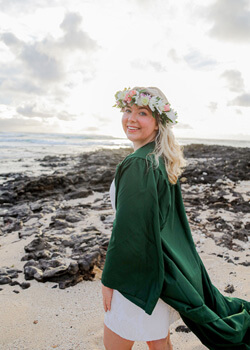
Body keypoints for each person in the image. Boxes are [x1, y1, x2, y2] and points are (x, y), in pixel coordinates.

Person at [101, 86, 250, 350]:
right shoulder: (160, 159)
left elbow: (129, 231)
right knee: (160, 343)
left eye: (143, 112)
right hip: (164, 271)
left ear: (158, 123)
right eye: (127, 110)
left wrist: (109, 280)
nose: (131, 118)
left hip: (137, 277)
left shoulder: (138, 163)